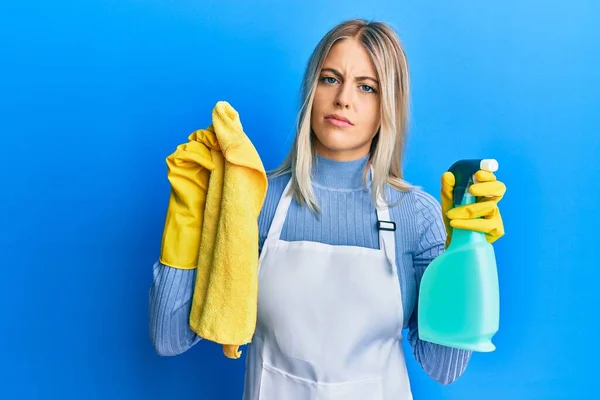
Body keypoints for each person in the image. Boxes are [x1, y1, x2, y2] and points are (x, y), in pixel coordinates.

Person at [149, 18, 506, 399]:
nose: (344, 99)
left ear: (388, 107)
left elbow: (444, 368)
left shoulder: (414, 214)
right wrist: (187, 213)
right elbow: (170, 338)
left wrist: (461, 261)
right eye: (330, 79)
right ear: (311, 91)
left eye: (367, 87)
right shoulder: (256, 200)